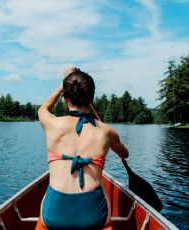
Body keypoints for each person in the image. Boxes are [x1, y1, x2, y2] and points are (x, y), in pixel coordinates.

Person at [36, 67, 129, 230]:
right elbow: (125, 154)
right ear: (92, 98)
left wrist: (62, 86)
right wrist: (117, 146)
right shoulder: (107, 132)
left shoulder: (52, 124)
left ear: (65, 98)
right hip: (92, 216)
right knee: (99, 181)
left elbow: (43, 109)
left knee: (48, 197)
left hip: (55, 215)